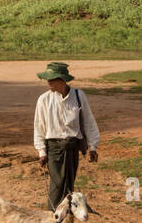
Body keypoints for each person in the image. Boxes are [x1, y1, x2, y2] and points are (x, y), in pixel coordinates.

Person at [33, 62, 99, 210]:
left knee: (69, 185)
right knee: (57, 185)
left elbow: (88, 121)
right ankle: (52, 218)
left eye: (52, 79)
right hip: (54, 148)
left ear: (62, 80)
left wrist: (93, 147)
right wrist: (42, 151)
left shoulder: (78, 95)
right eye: (47, 79)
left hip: (72, 147)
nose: (48, 82)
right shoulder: (44, 100)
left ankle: (65, 219)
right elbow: (39, 127)